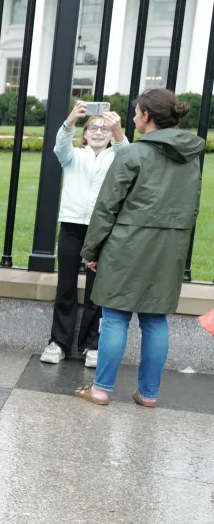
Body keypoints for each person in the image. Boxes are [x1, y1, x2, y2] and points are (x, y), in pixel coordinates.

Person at [77, 90, 202, 408]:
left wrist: (91, 250)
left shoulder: (132, 154)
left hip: (127, 245)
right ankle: (148, 393)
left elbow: (107, 207)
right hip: (169, 247)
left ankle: (101, 389)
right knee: (155, 319)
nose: (133, 118)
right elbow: (192, 208)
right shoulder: (191, 156)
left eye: (136, 112)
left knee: (116, 317)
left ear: (147, 116)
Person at [41, 103, 128, 367]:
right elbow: (60, 147)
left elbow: (129, 155)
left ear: (111, 134)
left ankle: (92, 344)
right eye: (93, 127)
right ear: (85, 134)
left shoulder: (117, 156)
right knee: (66, 285)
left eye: (105, 128)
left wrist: (120, 132)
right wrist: (69, 121)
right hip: (71, 225)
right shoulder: (74, 156)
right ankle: (58, 342)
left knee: (96, 289)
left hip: (101, 228)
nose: (99, 132)